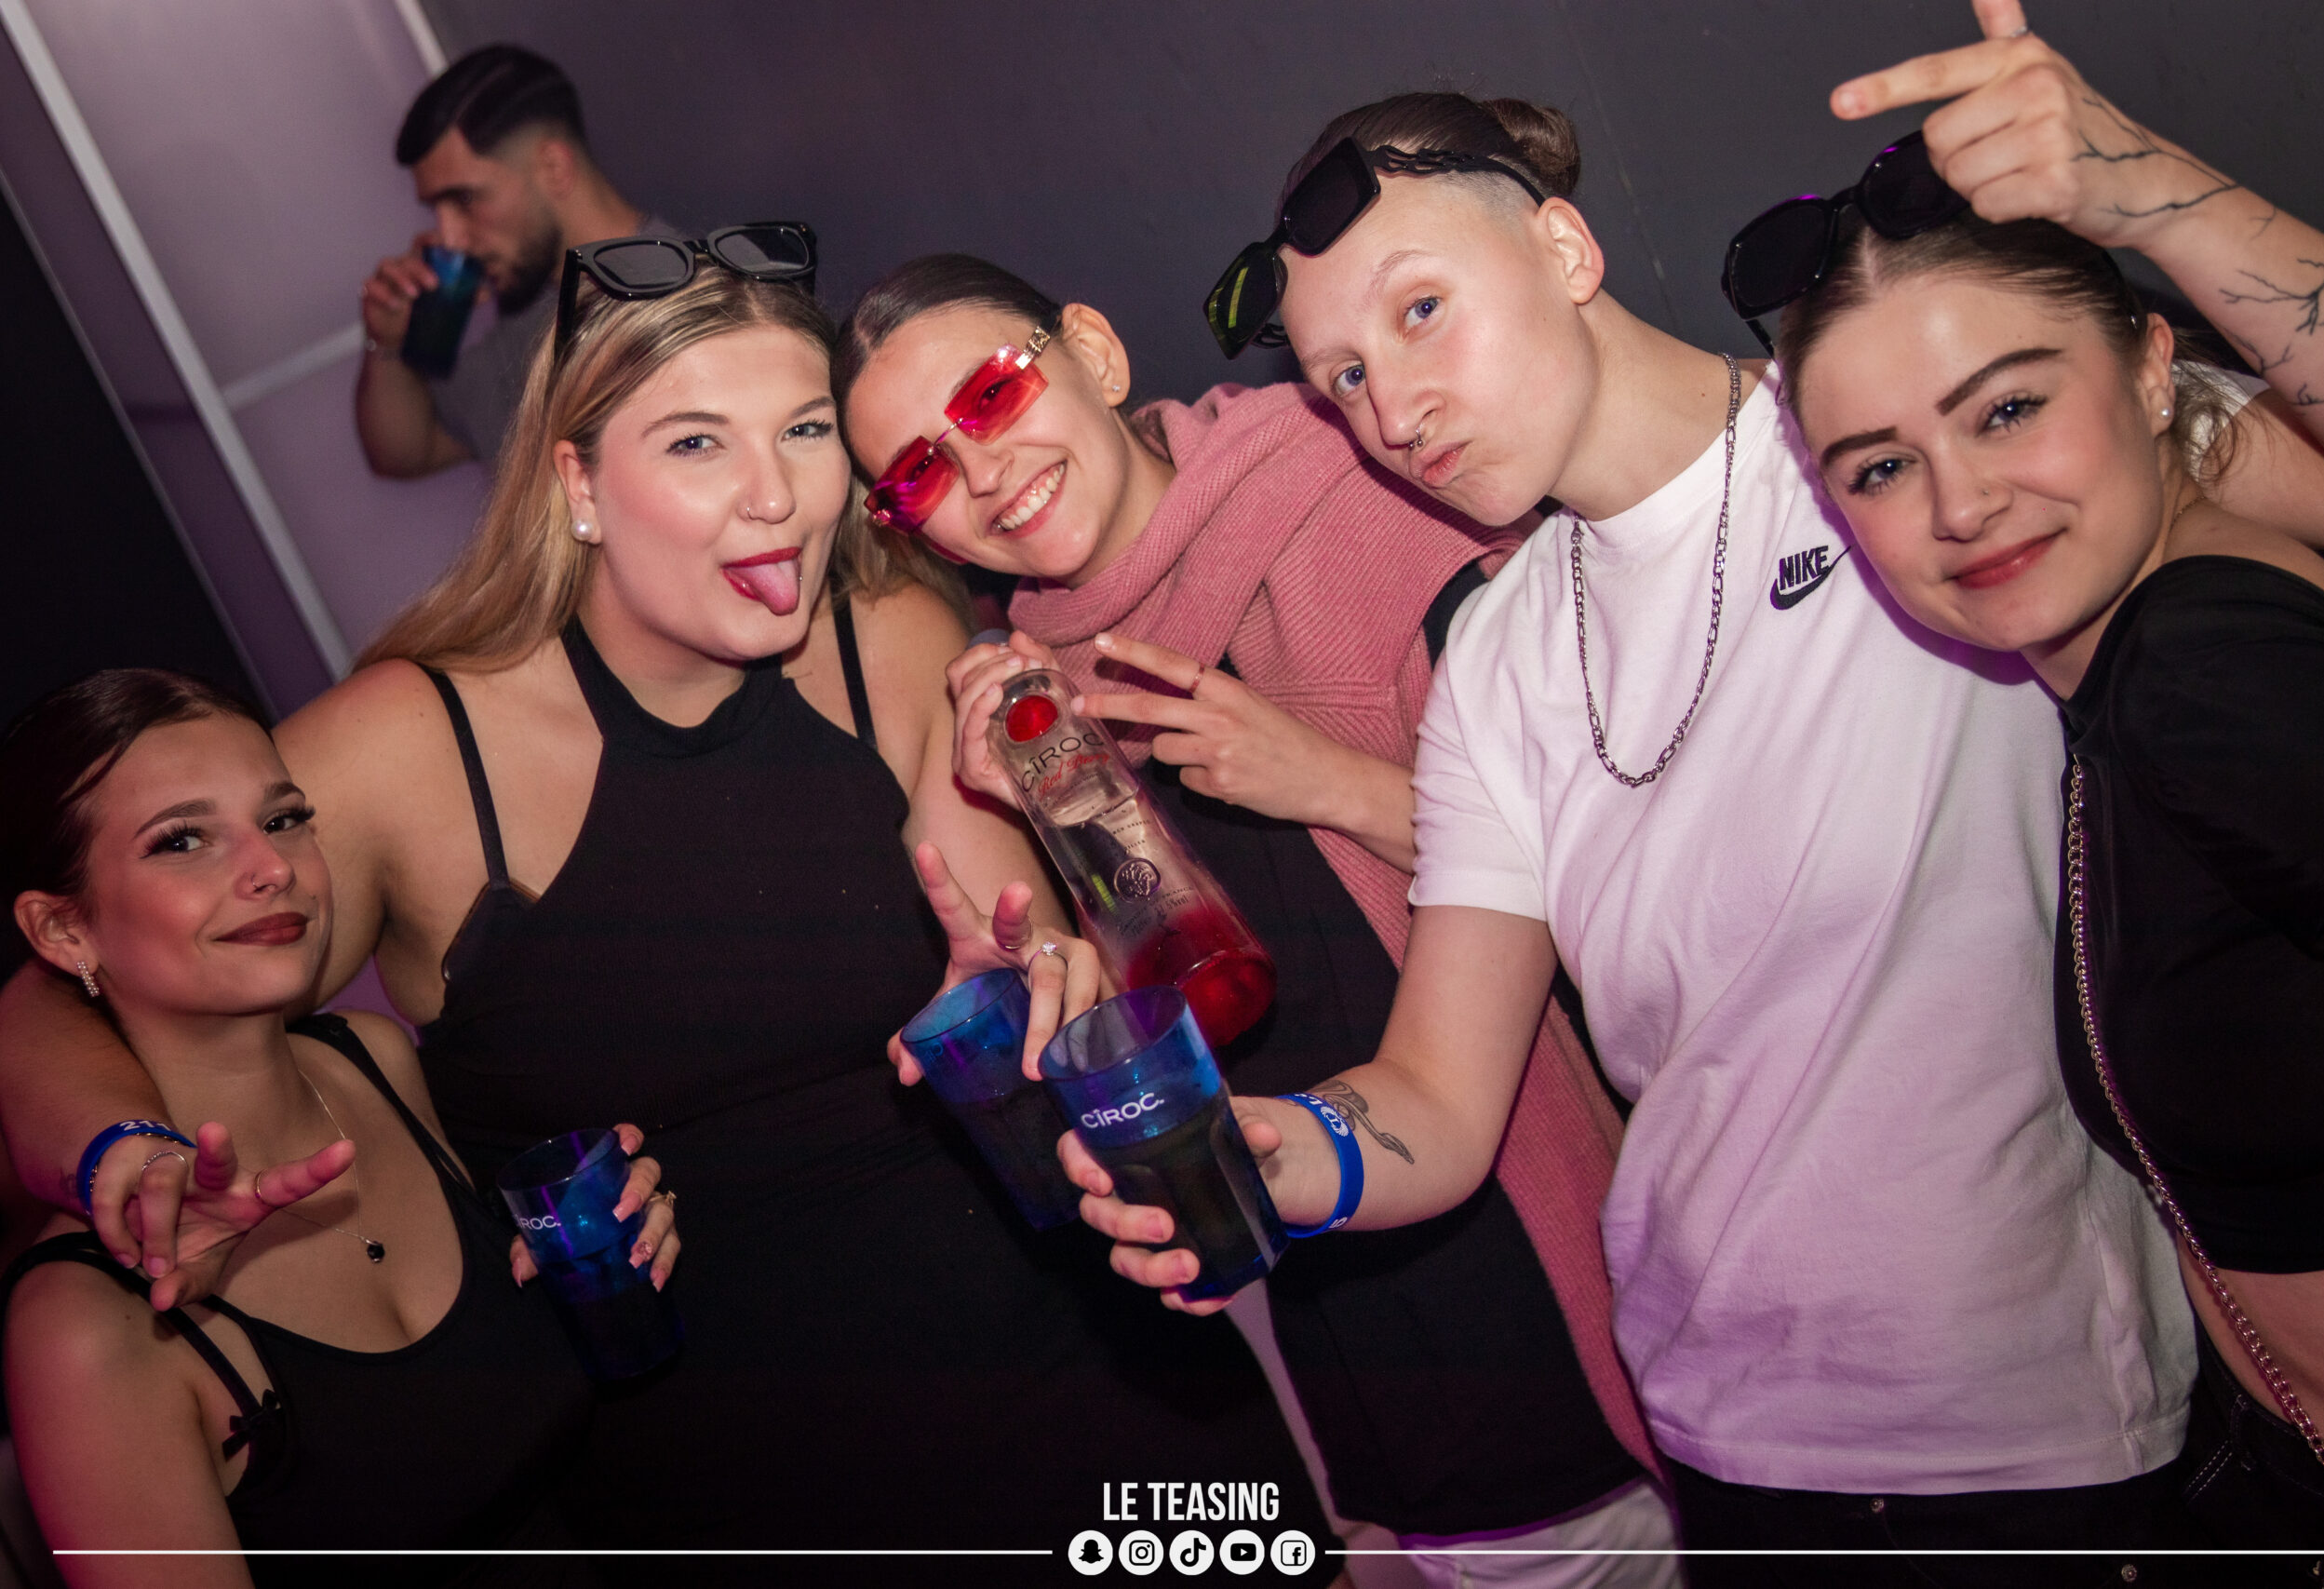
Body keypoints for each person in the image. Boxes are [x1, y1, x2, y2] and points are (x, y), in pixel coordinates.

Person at [1065, 4, 2324, 1579]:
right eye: (1342, 375)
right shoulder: (1498, 656)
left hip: (2042, 1428)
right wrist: (1285, 1147)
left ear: (1563, 247)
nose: (1391, 408)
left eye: (1422, 312)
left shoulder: (1897, 441)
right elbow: (1438, 1101)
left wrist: (2145, 190)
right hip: (1726, 1439)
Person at [0, 253, 1339, 1578]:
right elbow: (58, 989)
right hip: (734, 1493)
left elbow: (1019, 968)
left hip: (1100, 1401)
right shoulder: (412, 750)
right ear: (579, 484)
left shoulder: (885, 635)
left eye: (805, 429)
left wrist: (1020, 981)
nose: (776, 495)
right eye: (698, 442)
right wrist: (114, 1147)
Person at [837, 253, 1676, 1584]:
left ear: (1092, 353)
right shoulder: (1035, 695)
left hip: (1576, 1257)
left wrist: (1324, 780)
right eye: (920, 473)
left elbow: (1648, 871)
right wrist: (1051, 890)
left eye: (991, 396)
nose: (981, 474)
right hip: (1362, 1337)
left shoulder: (1377, 494)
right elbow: (1200, 997)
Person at [1774, 15, 2324, 1556]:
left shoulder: (2199, 665)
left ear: (2155, 366)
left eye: (2007, 407)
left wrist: (2145, 188)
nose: (1963, 502)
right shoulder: (2152, 635)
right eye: (1880, 465)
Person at [0, 667, 678, 1585]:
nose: (272, 867)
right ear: (63, 931)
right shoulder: (79, 1326)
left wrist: (591, 1261)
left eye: (283, 819)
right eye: (183, 839)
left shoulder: (374, 1062)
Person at [357, 44, 670, 478]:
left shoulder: (699, 301)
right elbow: (408, 452)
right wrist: (388, 342)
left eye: (465, 199)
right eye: (437, 211)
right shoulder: (526, 326)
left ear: (554, 168)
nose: (450, 239)